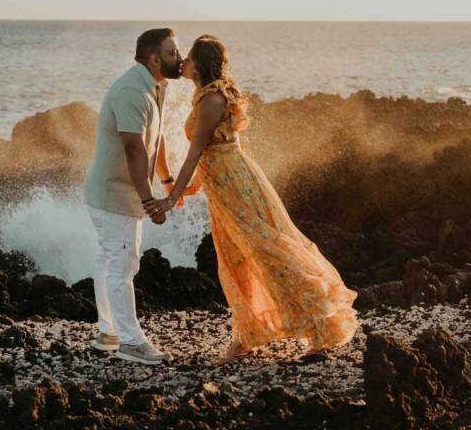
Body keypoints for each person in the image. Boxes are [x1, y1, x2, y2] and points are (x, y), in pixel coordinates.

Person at [145, 35, 359, 363]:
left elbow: (196, 151)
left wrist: (172, 195)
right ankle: (247, 337)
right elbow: (220, 147)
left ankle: (320, 324)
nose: (183, 62)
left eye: (188, 57)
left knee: (265, 250)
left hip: (235, 186)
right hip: (226, 183)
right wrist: (198, 184)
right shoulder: (208, 95)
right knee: (235, 257)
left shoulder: (211, 100)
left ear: (199, 65)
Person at [84, 28, 182, 365]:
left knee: (109, 259)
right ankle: (130, 342)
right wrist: (148, 199)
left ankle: (109, 331)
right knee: (123, 265)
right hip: (115, 192)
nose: (179, 59)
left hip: (116, 190)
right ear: (154, 57)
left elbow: (157, 139)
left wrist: (167, 180)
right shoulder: (131, 90)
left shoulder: (155, 86)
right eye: (172, 53)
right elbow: (134, 148)